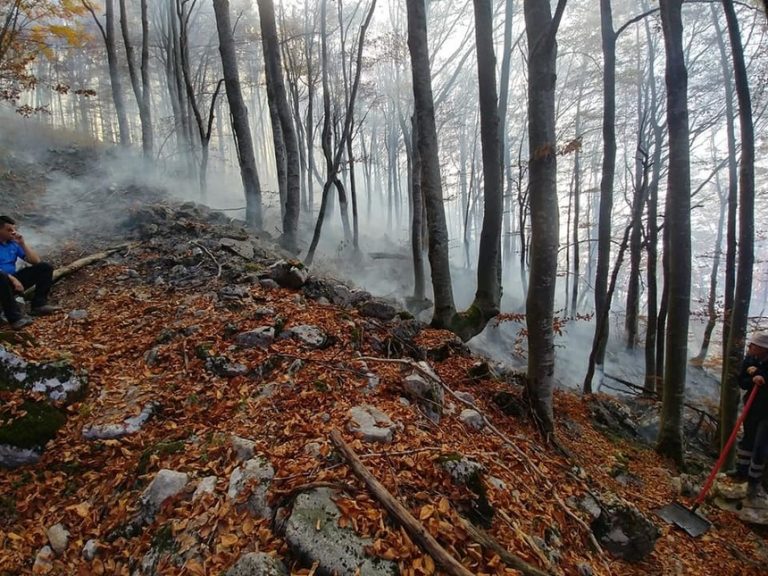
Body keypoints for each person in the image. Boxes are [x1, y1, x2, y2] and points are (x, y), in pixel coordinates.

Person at [0, 215, 58, 329]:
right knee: (1, 276)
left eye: (14, 229)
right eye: (9, 230)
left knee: (44, 267)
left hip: (9, 283)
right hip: (2, 281)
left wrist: (22, 243)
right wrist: (13, 279)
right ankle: (15, 319)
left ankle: (39, 305)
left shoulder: (13, 244)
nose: (13, 232)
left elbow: (35, 261)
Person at [733, 330, 768, 507]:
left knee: (760, 446)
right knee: (747, 439)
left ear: (762, 349)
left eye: (753, 346)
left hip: (767, 412)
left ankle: (754, 481)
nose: (749, 348)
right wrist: (753, 377)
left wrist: (763, 378)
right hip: (752, 406)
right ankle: (741, 472)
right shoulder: (750, 360)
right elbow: (742, 381)